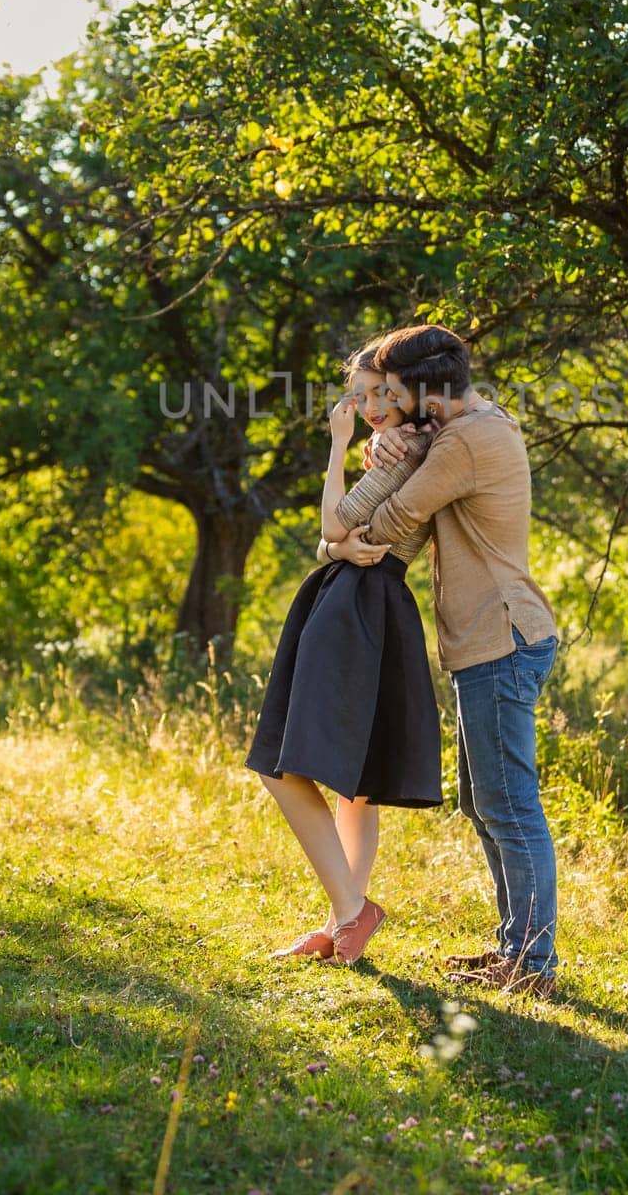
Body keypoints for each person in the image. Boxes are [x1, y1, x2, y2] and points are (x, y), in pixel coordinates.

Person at [355, 325, 560, 997]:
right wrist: (398, 439)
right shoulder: (474, 422)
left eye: (393, 391)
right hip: (492, 640)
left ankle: (532, 964)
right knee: (486, 803)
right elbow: (418, 457)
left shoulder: (466, 441)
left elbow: (390, 522)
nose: (386, 402)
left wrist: (381, 462)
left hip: (500, 637)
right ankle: (516, 950)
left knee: (510, 807)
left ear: (422, 391)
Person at [245, 340, 442, 967]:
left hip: (360, 606)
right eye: (361, 396)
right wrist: (334, 551)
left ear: (410, 389)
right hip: (363, 598)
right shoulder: (394, 446)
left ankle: (356, 913)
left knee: (282, 764)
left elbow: (334, 525)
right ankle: (341, 921)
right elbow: (335, 542)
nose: (372, 406)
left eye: (384, 393)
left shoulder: (404, 450)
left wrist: (336, 444)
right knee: (353, 784)